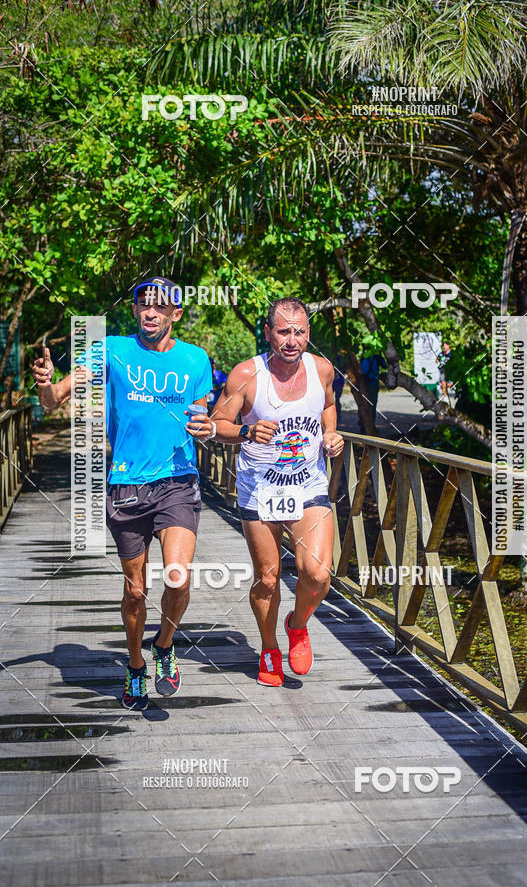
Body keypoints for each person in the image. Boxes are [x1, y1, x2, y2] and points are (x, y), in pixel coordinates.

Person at [32, 277, 214, 710]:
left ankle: (165, 645)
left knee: (178, 576)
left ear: (176, 313)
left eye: (159, 305)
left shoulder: (195, 359)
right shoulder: (109, 349)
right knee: (135, 591)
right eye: (142, 305)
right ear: (134, 310)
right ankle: (135, 666)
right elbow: (55, 400)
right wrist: (45, 382)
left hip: (177, 480)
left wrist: (206, 427)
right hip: (126, 485)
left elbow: (203, 415)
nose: (150, 312)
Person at [210, 297, 344, 687]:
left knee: (317, 573)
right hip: (261, 490)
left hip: (308, 486)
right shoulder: (246, 376)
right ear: (268, 332)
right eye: (283, 331)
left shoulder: (322, 369)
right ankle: (269, 647)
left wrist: (331, 434)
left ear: (308, 334)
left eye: (299, 331)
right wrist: (247, 431)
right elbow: (217, 424)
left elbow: (329, 407)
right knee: (268, 579)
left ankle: (297, 624)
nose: (291, 340)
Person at [359, 354, 382, 430]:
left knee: (368, 405)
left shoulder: (367, 358)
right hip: (371, 385)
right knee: (371, 406)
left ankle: (367, 425)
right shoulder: (370, 358)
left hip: (370, 384)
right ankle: (367, 425)